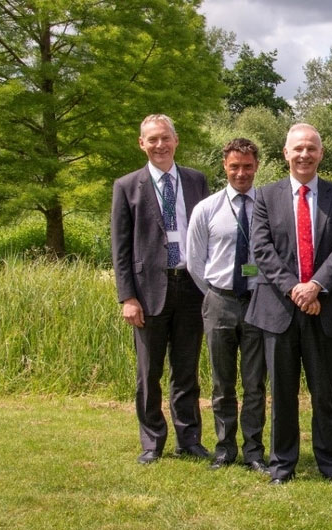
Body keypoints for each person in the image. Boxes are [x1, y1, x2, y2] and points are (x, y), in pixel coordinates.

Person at [246, 123, 332, 485]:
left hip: (325, 309)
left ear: (321, 154)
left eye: (311, 148)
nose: (305, 155)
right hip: (279, 310)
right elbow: (262, 250)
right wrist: (297, 289)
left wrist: (317, 286)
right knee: (282, 393)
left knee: (326, 393)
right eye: (298, 149)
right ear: (285, 153)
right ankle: (282, 464)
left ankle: (330, 464)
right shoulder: (265, 196)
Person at [111, 114, 211, 464]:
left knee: (186, 370)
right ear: (142, 144)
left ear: (176, 140)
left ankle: (189, 440)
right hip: (148, 291)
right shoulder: (127, 186)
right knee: (148, 373)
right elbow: (120, 247)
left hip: (191, 288)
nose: (159, 145)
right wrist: (127, 296)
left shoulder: (197, 181)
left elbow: (208, 233)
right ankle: (152, 442)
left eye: (164, 138)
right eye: (152, 139)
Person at [186, 138, 268, 472]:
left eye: (247, 166)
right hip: (219, 300)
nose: (241, 173)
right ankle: (224, 448)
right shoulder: (207, 209)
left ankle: (253, 451)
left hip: (257, 302)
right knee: (222, 383)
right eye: (235, 166)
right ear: (225, 166)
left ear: (256, 166)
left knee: (254, 384)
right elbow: (195, 262)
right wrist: (216, 292)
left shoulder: (266, 205)